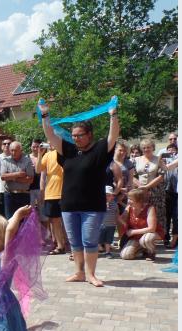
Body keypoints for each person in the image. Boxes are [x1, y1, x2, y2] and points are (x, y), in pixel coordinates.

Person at [38, 98, 120, 287]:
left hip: (93, 206)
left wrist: (113, 115)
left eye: (80, 135)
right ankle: (79, 272)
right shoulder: (68, 150)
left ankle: (91, 274)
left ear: (89, 134)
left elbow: (113, 135)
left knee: (89, 240)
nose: (75, 138)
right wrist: (45, 115)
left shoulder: (100, 149)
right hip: (69, 205)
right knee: (75, 242)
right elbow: (50, 135)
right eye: (73, 135)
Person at [35, 143, 68, 255]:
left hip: (65, 192)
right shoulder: (47, 155)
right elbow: (38, 170)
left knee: (69, 221)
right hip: (51, 193)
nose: (50, 143)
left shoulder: (64, 152)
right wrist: (40, 154)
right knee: (55, 221)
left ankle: (73, 247)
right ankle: (60, 246)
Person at [133, 138, 168, 231]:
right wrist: (141, 186)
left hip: (155, 192)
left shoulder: (159, 160)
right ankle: (141, 235)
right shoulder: (136, 159)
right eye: (144, 148)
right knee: (141, 212)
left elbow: (161, 176)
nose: (146, 149)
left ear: (153, 148)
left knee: (157, 213)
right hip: (140, 191)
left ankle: (158, 235)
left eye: (148, 147)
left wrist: (147, 187)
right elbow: (132, 176)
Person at [120, 188, 164, 261]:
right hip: (136, 238)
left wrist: (133, 232)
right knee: (125, 255)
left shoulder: (150, 208)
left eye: (131, 199)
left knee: (146, 240)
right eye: (128, 198)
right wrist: (115, 213)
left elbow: (151, 228)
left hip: (152, 234)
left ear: (139, 200)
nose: (128, 201)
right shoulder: (129, 208)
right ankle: (142, 248)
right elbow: (121, 220)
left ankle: (150, 252)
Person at [0, 141, 34, 219]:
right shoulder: (5, 161)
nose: (13, 152)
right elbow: (3, 177)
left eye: (15, 150)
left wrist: (12, 178)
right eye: (12, 150)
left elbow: (30, 179)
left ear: (20, 150)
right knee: (10, 220)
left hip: (24, 195)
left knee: (24, 220)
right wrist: (18, 174)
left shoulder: (27, 161)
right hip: (9, 195)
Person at [163, 143, 179, 248]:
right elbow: (166, 168)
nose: (171, 151)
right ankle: (166, 238)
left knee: (177, 216)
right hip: (168, 191)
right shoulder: (167, 159)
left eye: (173, 149)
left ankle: (175, 239)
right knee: (167, 216)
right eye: (169, 149)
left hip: (177, 192)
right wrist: (159, 160)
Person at [99, 186, 119, 258]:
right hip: (101, 225)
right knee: (98, 239)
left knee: (108, 240)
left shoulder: (114, 204)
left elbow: (117, 213)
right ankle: (98, 249)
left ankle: (107, 252)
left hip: (111, 225)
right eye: (105, 195)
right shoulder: (99, 204)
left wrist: (118, 221)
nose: (107, 197)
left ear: (112, 196)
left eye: (109, 195)